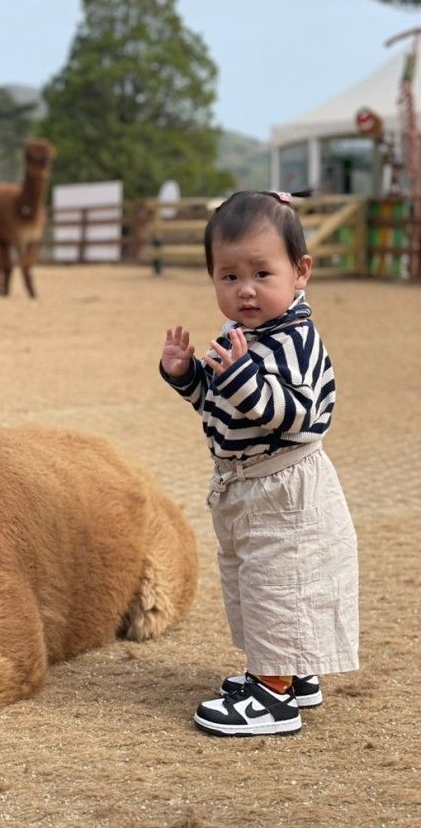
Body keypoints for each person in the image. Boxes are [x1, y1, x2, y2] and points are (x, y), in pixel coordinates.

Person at [159, 190, 358, 736]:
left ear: (300, 273)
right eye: (228, 276)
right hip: (245, 483)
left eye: (261, 273)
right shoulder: (242, 336)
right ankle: (292, 673)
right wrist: (188, 377)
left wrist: (243, 380)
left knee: (279, 581)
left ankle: (274, 697)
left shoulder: (293, 340)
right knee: (252, 579)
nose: (245, 290)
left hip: (284, 484)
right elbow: (220, 405)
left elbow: (298, 414)